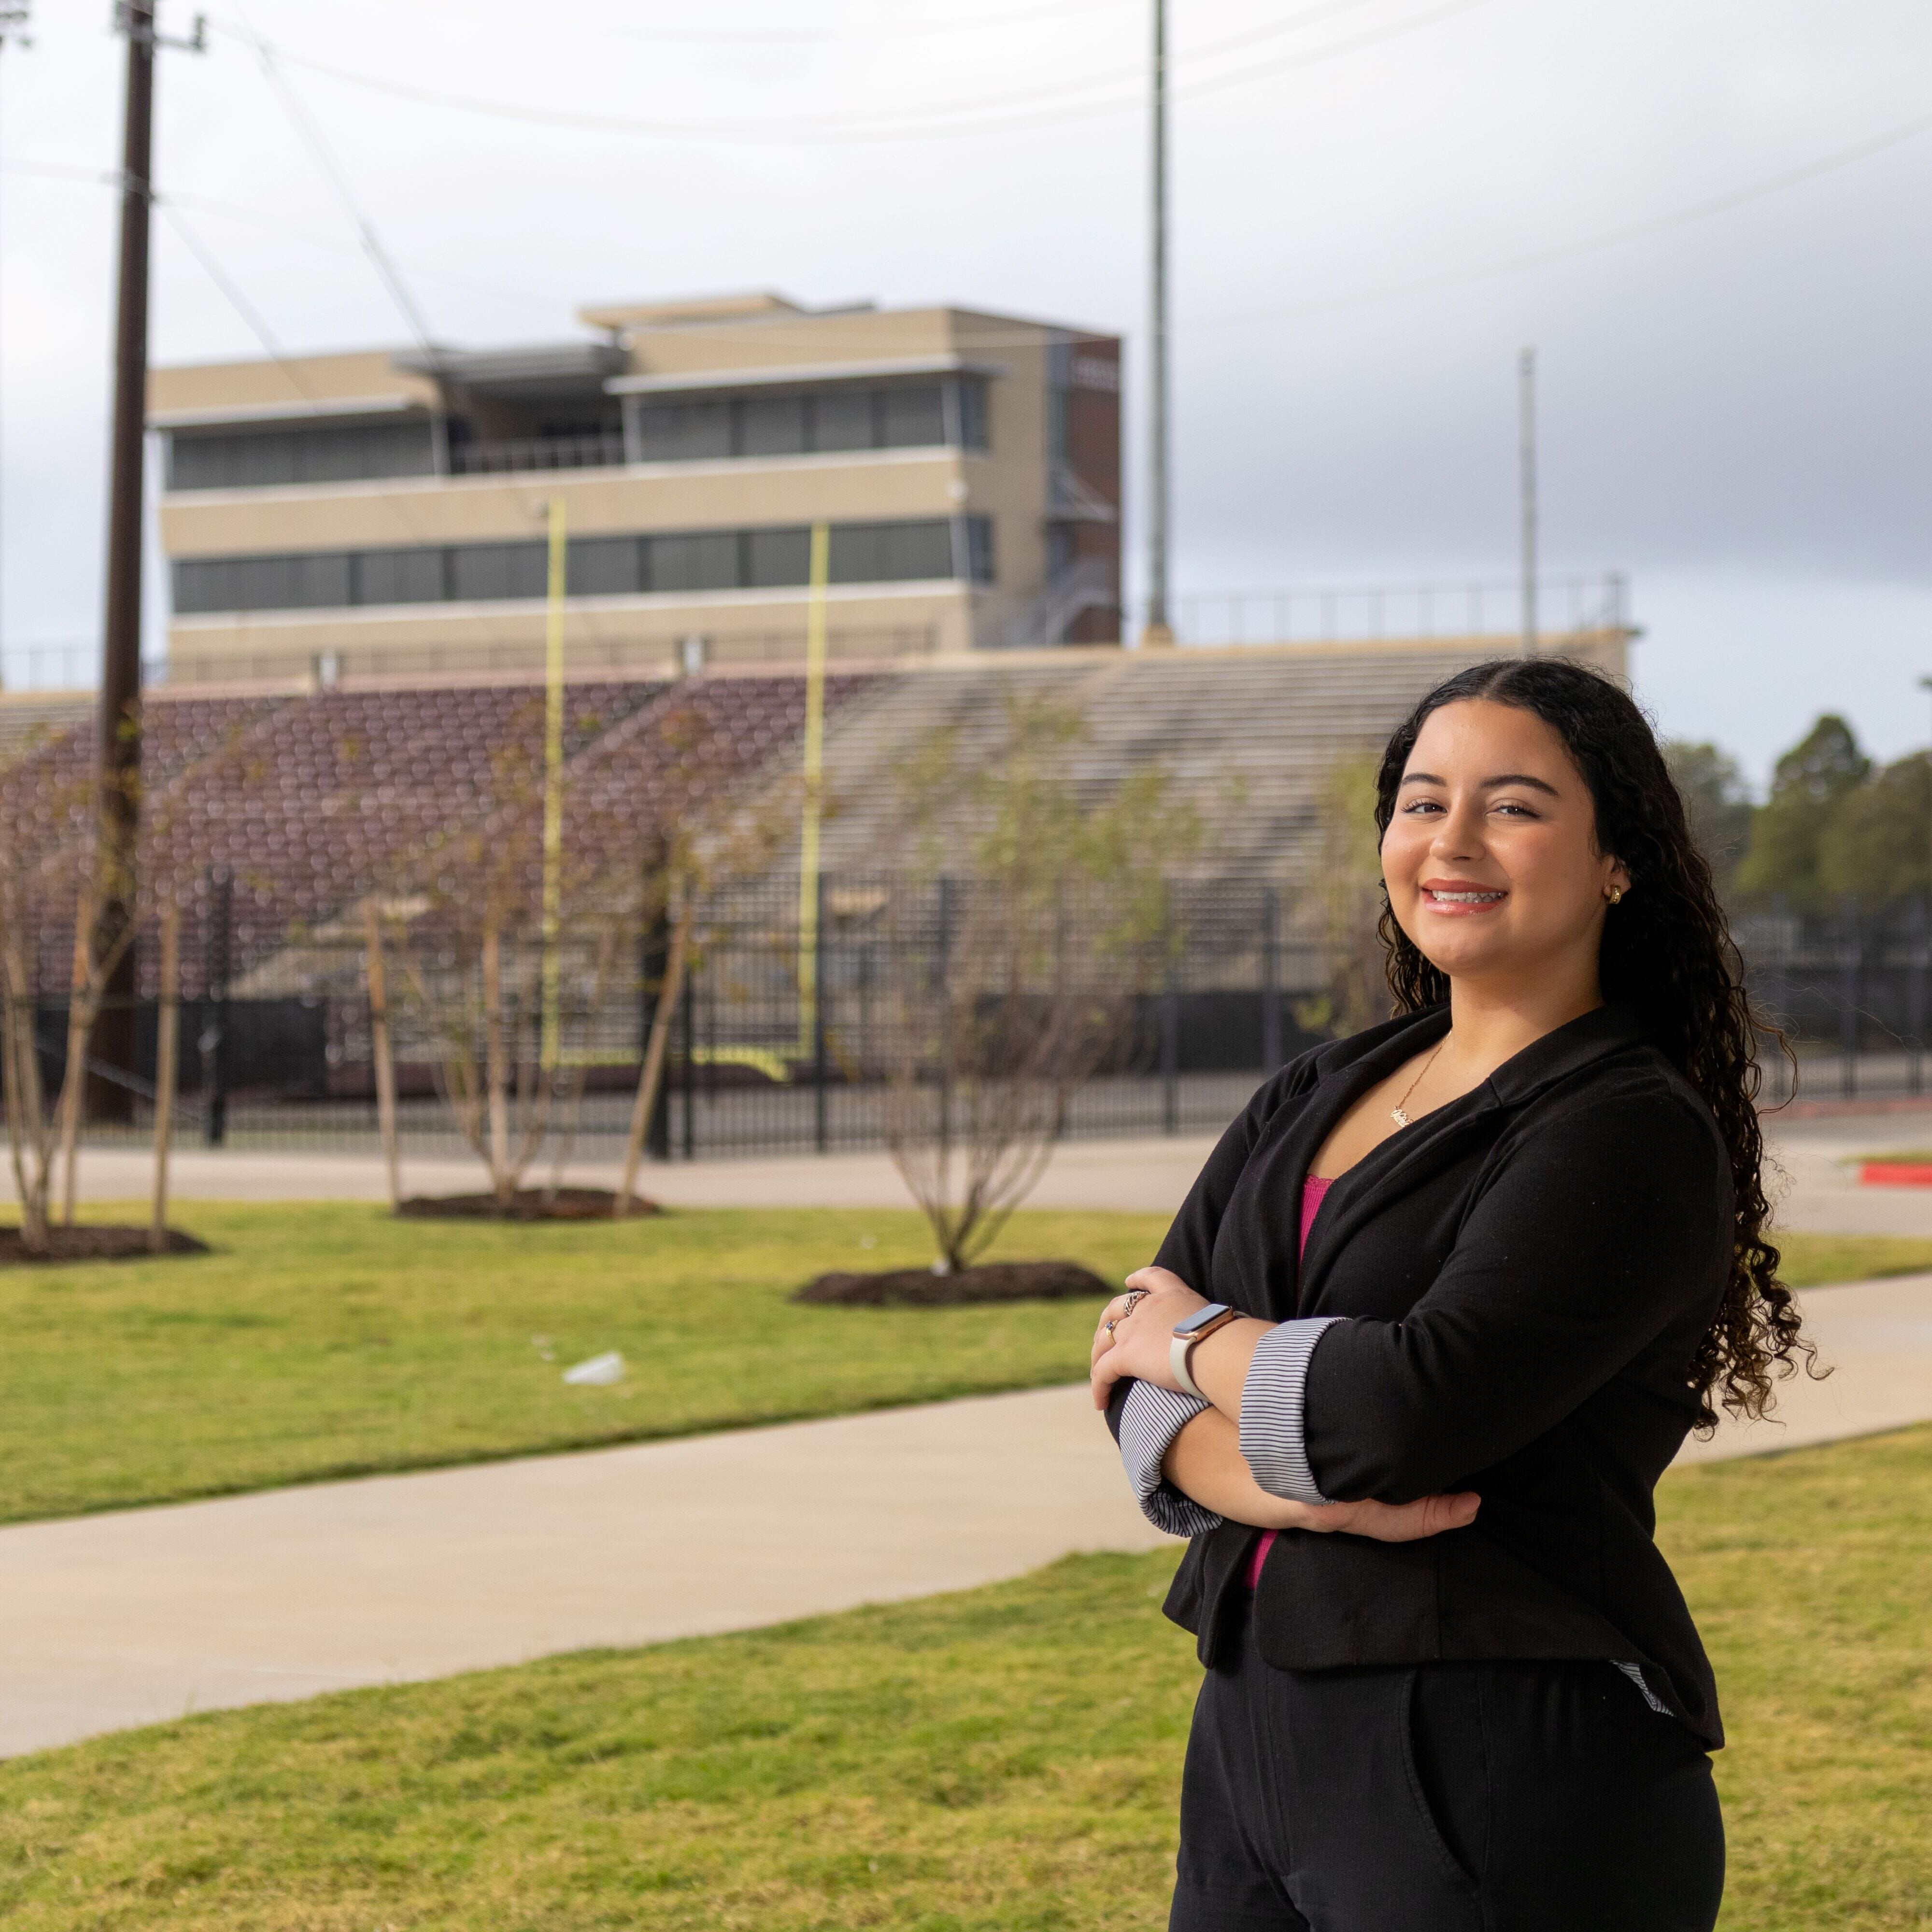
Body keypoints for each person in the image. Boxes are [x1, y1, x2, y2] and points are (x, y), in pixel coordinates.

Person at [1090, 657, 1813, 1932]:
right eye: (1423, 803)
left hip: (1498, 1751)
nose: (1453, 841)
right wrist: (1297, 1493)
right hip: (1252, 1738)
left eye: (1516, 806)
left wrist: (1196, 1338)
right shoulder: (1317, 1089)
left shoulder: (1622, 1127)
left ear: (1616, 862)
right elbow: (1124, 1386)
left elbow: (1403, 1414)